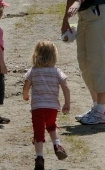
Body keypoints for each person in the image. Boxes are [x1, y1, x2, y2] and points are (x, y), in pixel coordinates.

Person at [23, 40, 70, 170]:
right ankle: (57, 145)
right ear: (54, 56)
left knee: (38, 133)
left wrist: (25, 95)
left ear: (36, 55)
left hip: (38, 108)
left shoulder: (33, 71)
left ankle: (39, 157)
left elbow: (26, 85)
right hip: (52, 108)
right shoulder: (56, 71)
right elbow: (65, 86)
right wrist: (67, 102)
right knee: (51, 125)